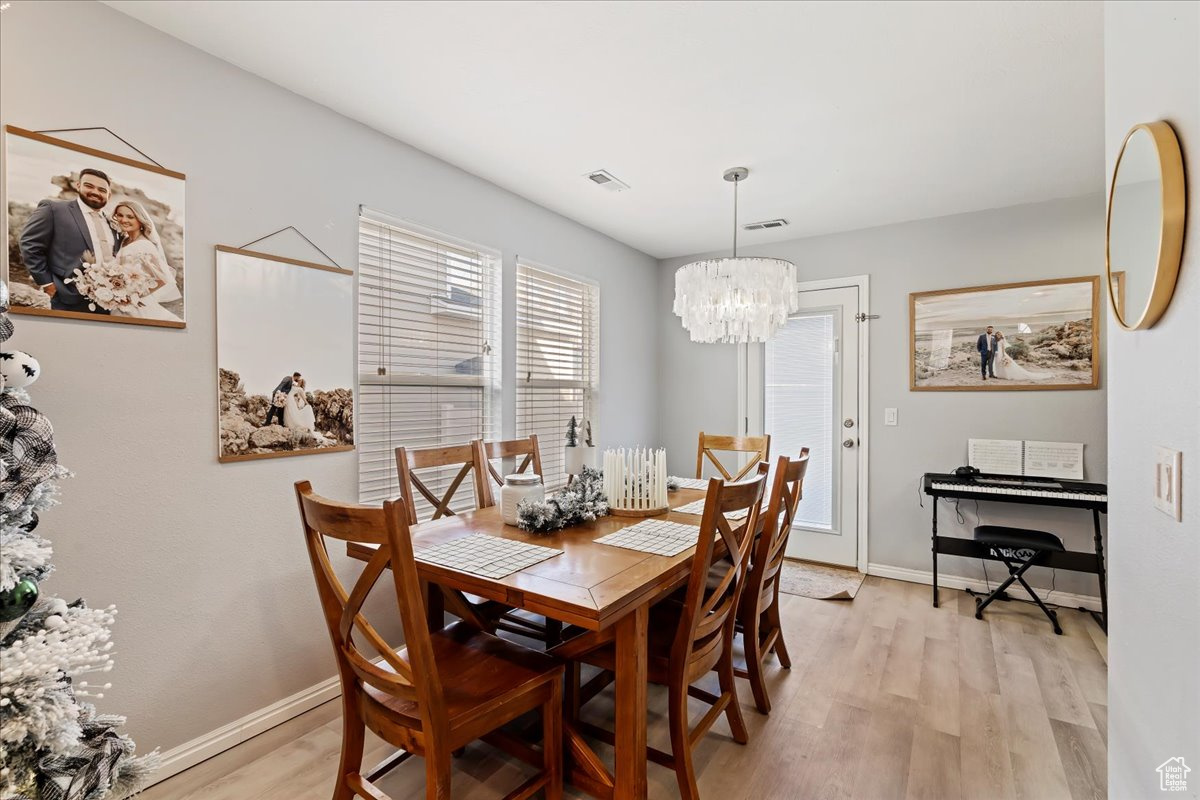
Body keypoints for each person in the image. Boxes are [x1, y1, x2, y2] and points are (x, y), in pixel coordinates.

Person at [18, 168, 123, 313]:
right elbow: (29, 244)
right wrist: (47, 283)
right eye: (89, 186)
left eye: (102, 189)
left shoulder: (113, 223)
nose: (96, 192)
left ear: (109, 195)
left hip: (108, 301)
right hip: (66, 297)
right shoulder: (53, 209)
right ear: (78, 185)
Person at [108, 200, 181, 321]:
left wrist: (133, 297)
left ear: (140, 220)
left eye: (130, 217)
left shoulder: (144, 245)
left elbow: (162, 278)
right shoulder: (125, 240)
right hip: (119, 302)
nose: (123, 220)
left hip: (135, 304)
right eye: (120, 215)